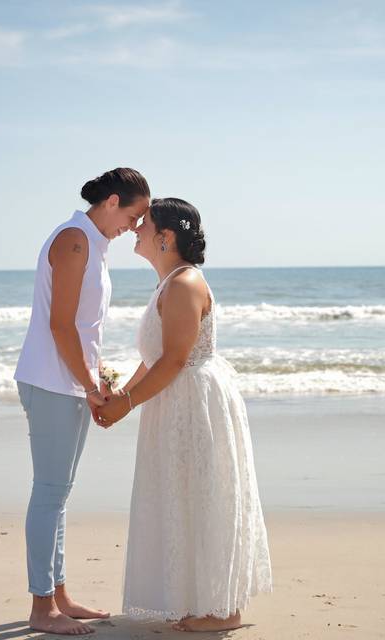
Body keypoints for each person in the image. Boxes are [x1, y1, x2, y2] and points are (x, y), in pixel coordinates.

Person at [96, 197, 273, 632]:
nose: (136, 229)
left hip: (195, 403)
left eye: (145, 224)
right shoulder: (168, 282)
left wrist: (127, 404)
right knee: (182, 496)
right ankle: (199, 600)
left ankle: (223, 609)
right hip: (174, 401)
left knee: (201, 494)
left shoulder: (184, 284)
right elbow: (154, 357)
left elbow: (174, 360)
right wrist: (122, 392)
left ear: (166, 237)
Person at [14, 168, 150, 635]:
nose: (134, 227)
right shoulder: (75, 239)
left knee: (59, 494)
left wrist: (94, 378)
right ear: (112, 201)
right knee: (48, 493)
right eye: (133, 216)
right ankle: (41, 608)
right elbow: (61, 325)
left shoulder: (93, 242)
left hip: (68, 380)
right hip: (52, 381)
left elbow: (85, 329)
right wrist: (91, 386)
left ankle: (60, 595)